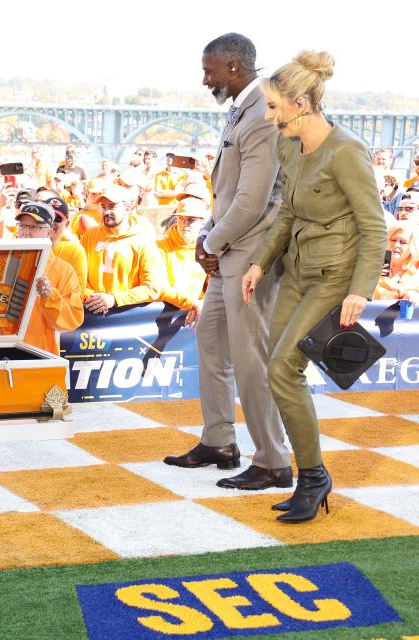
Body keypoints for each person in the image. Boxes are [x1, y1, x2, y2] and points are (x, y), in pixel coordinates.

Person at [242, 51, 386, 523]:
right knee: (278, 371)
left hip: (334, 279)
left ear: (301, 103)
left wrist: (360, 290)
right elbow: (286, 212)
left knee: (283, 369)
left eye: (274, 107)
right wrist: (261, 263)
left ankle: (312, 476)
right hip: (297, 274)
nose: (268, 116)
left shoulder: (346, 151)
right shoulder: (288, 146)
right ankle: (311, 475)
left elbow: (373, 226)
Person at [164, 33, 292, 494]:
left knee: (250, 359)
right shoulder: (244, 106)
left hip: (250, 255)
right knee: (212, 343)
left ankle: (274, 461)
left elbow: (253, 200)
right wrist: (212, 240)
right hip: (228, 251)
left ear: (235, 67)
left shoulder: (261, 114)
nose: (205, 79)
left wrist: (210, 243)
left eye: (210, 70)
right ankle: (219, 442)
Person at [80, 184, 164, 314]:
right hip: (91, 315)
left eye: (112, 207)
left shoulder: (143, 240)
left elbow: (152, 287)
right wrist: (92, 296)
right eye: (103, 207)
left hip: (125, 318)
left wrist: (114, 299)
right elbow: (77, 276)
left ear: (127, 208)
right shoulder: (89, 236)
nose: (106, 212)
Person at [15, 202, 83, 355]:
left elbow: (72, 320)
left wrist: (49, 296)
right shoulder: (5, 261)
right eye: (22, 226)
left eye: (34, 227)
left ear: (49, 231)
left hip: (38, 354)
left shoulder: (64, 270)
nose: (26, 232)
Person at [157, 189, 210, 327]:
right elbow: (157, 286)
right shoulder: (159, 247)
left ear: (202, 222)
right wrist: (191, 303)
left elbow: (214, 285)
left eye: (191, 220)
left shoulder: (209, 248)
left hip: (195, 315)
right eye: (181, 218)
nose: (184, 224)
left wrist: (203, 302)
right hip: (162, 314)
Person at [374, 222, 419, 303]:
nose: (396, 245)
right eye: (393, 240)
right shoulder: (377, 263)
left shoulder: (417, 268)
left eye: (403, 242)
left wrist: (415, 295)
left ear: (413, 246)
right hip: (375, 313)